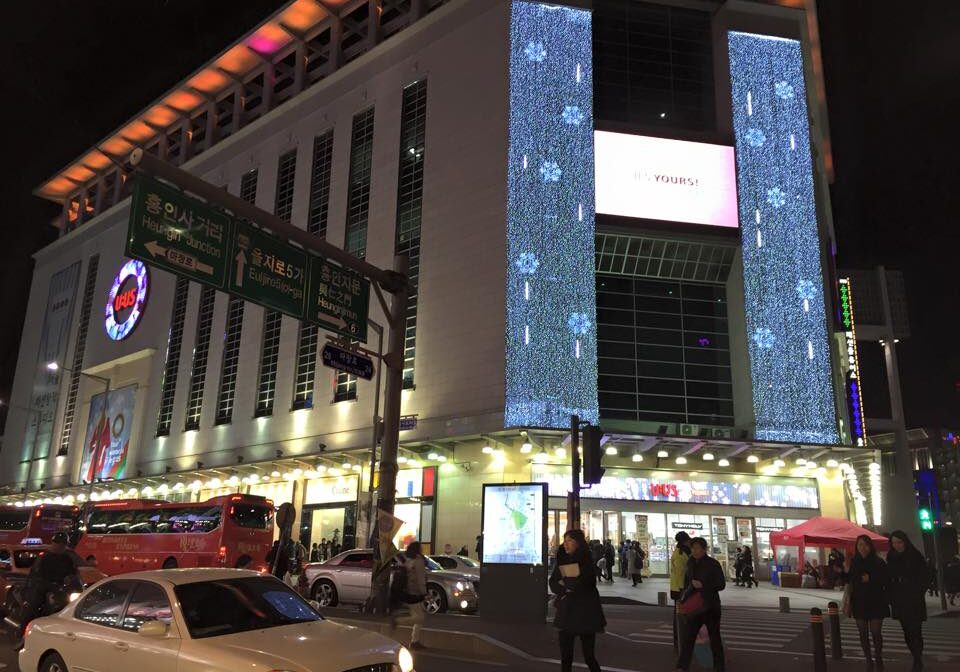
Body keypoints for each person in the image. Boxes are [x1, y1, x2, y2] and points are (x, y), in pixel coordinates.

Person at [549, 529, 605, 672]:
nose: (565, 544)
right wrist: (564, 588)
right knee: (566, 657)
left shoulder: (586, 561)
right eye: (565, 541)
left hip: (586, 613)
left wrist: (566, 584)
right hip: (567, 612)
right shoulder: (562, 560)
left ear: (578, 543)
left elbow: (584, 583)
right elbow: (554, 582)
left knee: (589, 656)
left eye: (569, 541)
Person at [18, 532, 79, 644]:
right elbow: (36, 573)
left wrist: (76, 583)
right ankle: (22, 634)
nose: (61, 546)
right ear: (53, 543)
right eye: (58, 543)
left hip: (61, 587)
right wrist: (45, 582)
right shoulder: (44, 557)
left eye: (63, 544)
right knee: (33, 605)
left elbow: (73, 573)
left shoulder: (67, 559)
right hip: (44, 586)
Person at [675, 537, 726, 672]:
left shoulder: (713, 563)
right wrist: (683, 599)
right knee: (689, 637)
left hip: (710, 606)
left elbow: (721, 584)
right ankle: (682, 665)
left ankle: (719, 666)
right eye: (693, 548)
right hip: (695, 606)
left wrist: (704, 585)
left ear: (704, 549)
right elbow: (687, 584)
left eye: (698, 548)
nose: (695, 551)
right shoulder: (690, 563)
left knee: (714, 638)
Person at [848, 534, 890, 670]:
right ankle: (868, 660)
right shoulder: (854, 562)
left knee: (876, 632)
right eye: (860, 544)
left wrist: (871, 578)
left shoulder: (879, 562)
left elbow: (886, 579)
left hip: (876, 601)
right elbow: (850, 580)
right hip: (859, 602)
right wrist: (842, 572)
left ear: (870, 546)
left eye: (865, 544)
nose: (863, 548)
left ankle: (878, 657)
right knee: (862, 633)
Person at [887, 530, 926, 671]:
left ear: (905, 542)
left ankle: (917, 659)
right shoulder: (891, 556)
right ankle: (915, 655)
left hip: (913, 597)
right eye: (894, 542)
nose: (897, 545)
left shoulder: (914, 555)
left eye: (899, 542)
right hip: (899, 597)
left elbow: (925, 576)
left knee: (915, 630)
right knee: (907, 631)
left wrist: (918, 590)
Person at [391, 540, 428, 650]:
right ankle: (398, 621)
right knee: (419, 618)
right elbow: (420, 578)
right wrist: (424, 593)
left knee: (419, 615)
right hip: (416, 593)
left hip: (408, 591)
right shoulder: (418, 560)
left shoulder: (408, 559)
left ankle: (415, 641)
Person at [670, 531, 692, 653]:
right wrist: (683, 590)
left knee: (682, 616)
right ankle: (680, 643)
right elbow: (680, 573)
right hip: (680, 589)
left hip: (680, 588)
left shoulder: (682, 551)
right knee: (680, 618)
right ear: (686, 541)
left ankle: (682, 642)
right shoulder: (680, 553)